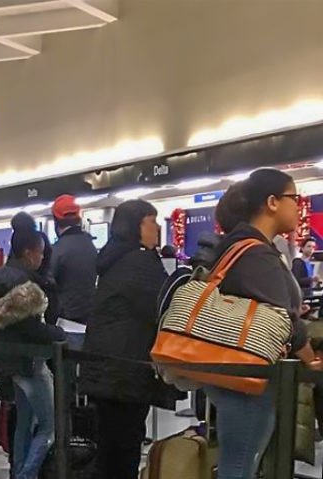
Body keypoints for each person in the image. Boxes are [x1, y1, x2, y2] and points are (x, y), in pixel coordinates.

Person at [205, 169, 323, 478]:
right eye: (293, 198)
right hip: (248, 375)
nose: (298, 205)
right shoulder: (254, 251)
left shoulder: (247, 247)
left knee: (240, 459)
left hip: (241, 371)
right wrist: (311, 360)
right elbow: (283, 318)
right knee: (241, 462)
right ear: (272, 202)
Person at [80, 199, 176, 479]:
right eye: (151, 221)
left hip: (107, 369)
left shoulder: (114, 257)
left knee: (110, 447)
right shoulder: (139, 260)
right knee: (125, 447)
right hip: (125, 371)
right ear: (136, 226)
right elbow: (161, 305)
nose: (157, 227)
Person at [0, 213, 67, 479]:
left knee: (24, 424)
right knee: (50, 426)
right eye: (40, 253)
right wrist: (57, 333)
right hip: (29, 362)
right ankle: (26, 475)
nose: (42, 258)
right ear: (29, 253)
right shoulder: (25, 286)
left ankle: (18, 471)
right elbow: (31, 328)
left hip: (7, 359)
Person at [49, 195, 97, 325]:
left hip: (65, 321)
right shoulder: (90, 245)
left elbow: (48, 284)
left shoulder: (57, 250)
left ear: (55, 220)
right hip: (90, 319)